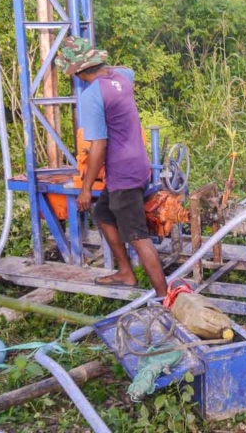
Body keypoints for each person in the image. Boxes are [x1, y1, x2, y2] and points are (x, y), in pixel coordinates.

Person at [55, 36, 167, 297]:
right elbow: (126, 68)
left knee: (138, 236)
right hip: (138, 163)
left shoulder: (92, 96)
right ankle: (126, 273)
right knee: (104, 214)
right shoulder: (123, 76)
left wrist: (84, 189)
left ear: (78, 72)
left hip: (123, 172)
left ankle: (164, 297)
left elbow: (98, 147)